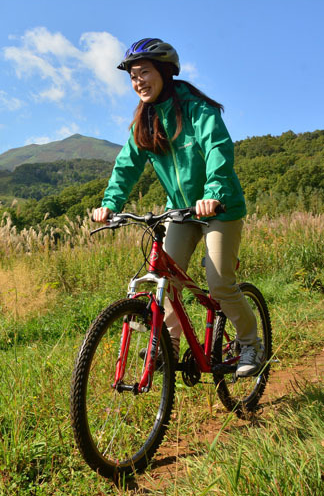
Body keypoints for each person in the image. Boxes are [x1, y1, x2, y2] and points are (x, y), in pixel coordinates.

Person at [92, 38, 263, 377]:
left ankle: (250, 343)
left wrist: (212, 191)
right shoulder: (146, 120)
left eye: (144, 73)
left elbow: (218, 150)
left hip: (220, 208)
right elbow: (127, 165)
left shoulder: (197, 110)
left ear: (165, 72)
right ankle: (167, 347)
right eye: (133, 77)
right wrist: (110, 203)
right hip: (181, 211)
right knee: (164, 281)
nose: (138, 81)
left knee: (219, 284)